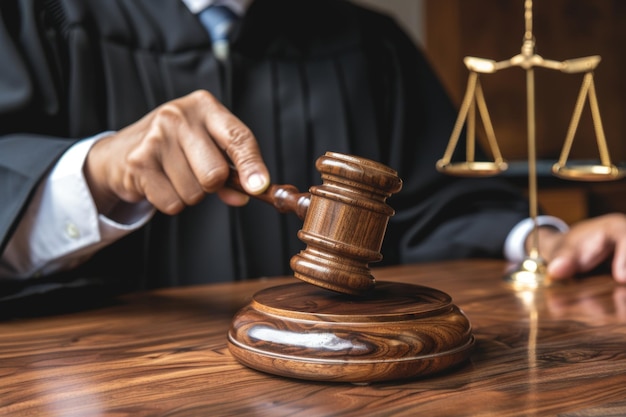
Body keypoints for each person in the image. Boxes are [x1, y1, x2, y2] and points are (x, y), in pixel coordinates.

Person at [0, 0, 624, 312]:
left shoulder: (369, 43)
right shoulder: (31, 19)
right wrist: (95, 172)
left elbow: (440, 204)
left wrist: (542, 241)